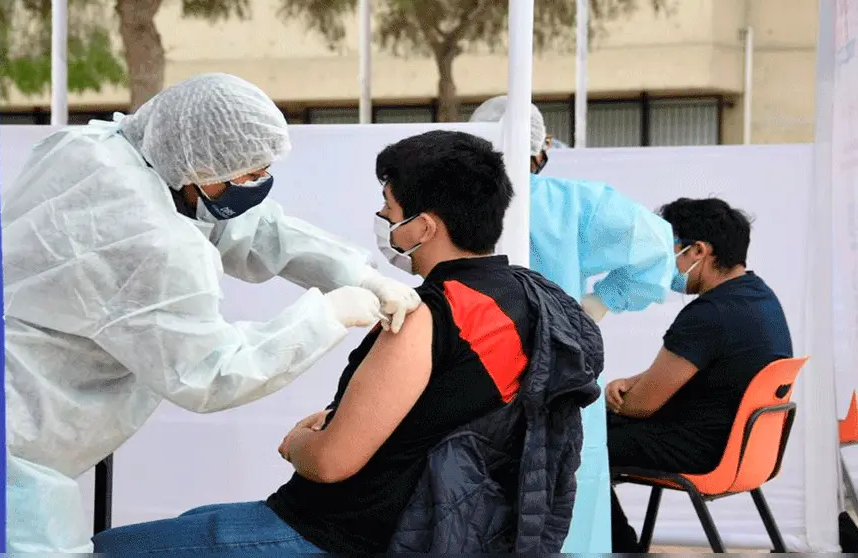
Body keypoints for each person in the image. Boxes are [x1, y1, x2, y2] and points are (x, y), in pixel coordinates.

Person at [92, 130, 603, 555]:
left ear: (423, 226)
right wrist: (343, 417)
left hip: (338, 534)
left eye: (389, 206)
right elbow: (445, 411)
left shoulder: (428, 313)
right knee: (197, 520)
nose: (383, 219)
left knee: (105, 548)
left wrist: (297, 443)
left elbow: (332, 462)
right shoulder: (530, 298)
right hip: (429, 531)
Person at [1, 73, 422, 553]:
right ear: (195, 164)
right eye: (243, 174)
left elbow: (254, 230)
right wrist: (326, 316)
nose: (255, 185)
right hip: (18, 435)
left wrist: (356, 273)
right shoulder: (149, 242)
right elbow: (213, 373)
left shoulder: (97, 150)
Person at [469, 96, 676, 553]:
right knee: (566, 502)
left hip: (475, 368)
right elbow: (658, 246)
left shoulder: (454, 207)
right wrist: (599, 303)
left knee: (469, 501)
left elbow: (396, 245)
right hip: (559, 369)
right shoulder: (575, 205)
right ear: (539, 151)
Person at [606, 197, 793, 552]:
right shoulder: (758, 297)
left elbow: (641, 407)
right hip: (741, 449)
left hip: (699, 450)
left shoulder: (708, 314)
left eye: (669, 249)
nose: (665, 262)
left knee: (574, 444)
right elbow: (703, 363)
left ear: (698, 251)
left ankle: (621, 549)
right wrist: (635, 381)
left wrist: (615, 400)